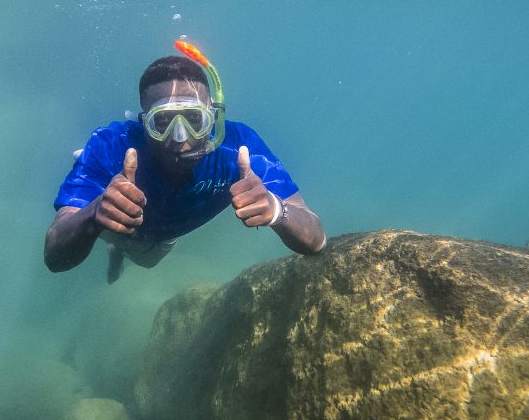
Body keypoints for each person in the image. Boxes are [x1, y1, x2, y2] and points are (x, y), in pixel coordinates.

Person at [44, 42, 326, 282]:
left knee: (148, 262)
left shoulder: (239, 149)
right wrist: (93, 214)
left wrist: (278, 211)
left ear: (213, 117)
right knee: (111, 228)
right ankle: (101, 210)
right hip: (115, 224)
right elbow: (54, 257)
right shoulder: (111, 146)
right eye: (162, 122)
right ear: (143, 123)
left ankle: (115, 244)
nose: (180, 139)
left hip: (164, 237)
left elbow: (316, 239)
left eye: (194, 120)